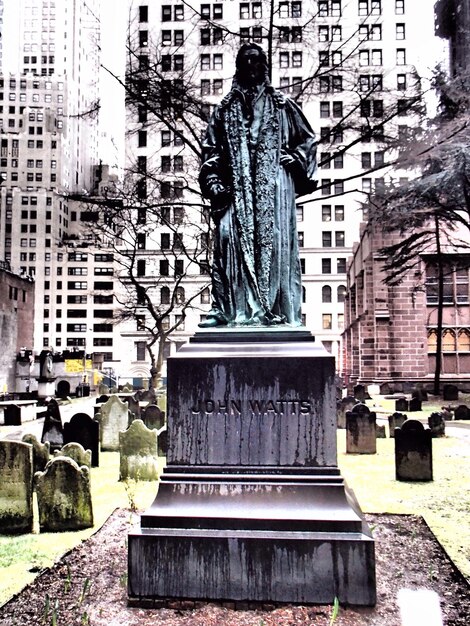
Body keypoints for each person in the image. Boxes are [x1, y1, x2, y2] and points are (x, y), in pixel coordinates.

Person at [199, 43, 317, 328]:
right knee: (227, 239)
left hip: (274, 187)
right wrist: (214, 181)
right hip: (236, 188)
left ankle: (274, 310)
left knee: (273, 246)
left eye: (257, 60)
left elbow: (308, 141)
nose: (252, 65)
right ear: (239, 67)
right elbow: (211, 151)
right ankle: (227, 308)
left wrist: (295, 161)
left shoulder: (282, 105)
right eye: (246, 60)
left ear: (264, 66)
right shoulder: (225, 110)